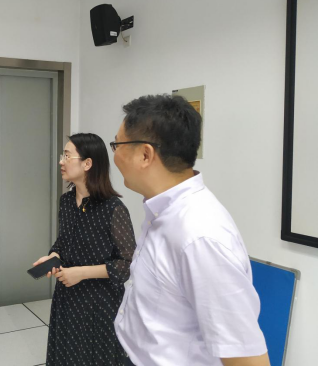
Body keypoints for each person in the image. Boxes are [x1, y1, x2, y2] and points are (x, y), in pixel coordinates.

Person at [112, 95, 270, 366]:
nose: (114, 155)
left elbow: (247, 359)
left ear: (145, 155)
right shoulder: (163, 211)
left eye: (117, 145)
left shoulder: (200, 235)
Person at [34, 133, 136, 366]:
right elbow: (63, 242)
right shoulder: (66, 202)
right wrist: (53, 256)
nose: (61, 161)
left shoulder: (114, 208)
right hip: (67, 298)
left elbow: (127, 265)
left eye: (67, 156)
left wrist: (81, 273)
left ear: (87, 163)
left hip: (101, 303)